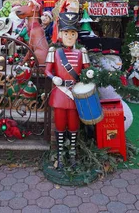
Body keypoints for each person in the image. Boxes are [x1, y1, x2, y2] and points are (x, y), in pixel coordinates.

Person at [45, 12, 90, 168]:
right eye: (66, 33)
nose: (69, 36)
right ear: (61, 34)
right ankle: (59, 154)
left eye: (72, 33)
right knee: (59, 125)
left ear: (76, 36)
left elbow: (87, 71)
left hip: (74, 93)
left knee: (73, 126)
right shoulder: (54, 52)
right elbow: (47, 70)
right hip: (60, 92)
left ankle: (71, 154)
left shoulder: (81, 53)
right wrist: (53, 78)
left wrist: (89, 74)